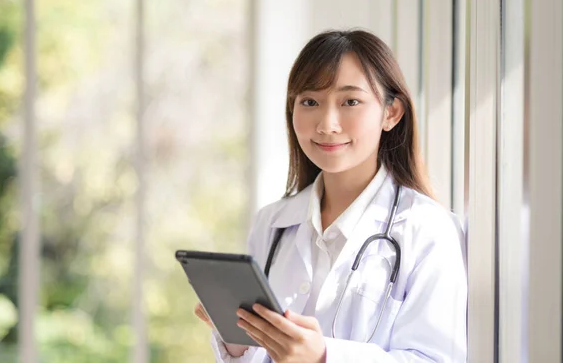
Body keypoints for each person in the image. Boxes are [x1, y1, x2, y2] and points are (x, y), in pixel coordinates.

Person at [195, 29, 467, 362]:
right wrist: (238, 341)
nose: (327, 124)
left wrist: (325, 356)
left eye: (350, 101)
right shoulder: (272, 223)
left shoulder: (429, 229)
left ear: (391, 113)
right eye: (310, 102)